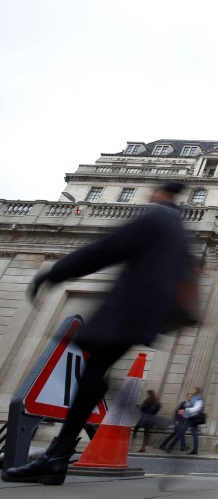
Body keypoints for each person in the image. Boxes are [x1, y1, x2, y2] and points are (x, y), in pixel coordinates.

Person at [2, 182, 192, 486]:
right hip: (146, 313)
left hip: (126, 308)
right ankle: (58, 457)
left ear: (162, 194)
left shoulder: (156, 217)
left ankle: (142, 421)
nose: (150, 196)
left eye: (154, 193)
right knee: (94, 373)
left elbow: (107, 249)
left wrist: (55, 272)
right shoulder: (180, 229)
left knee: (85, 361)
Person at [166, 387, 204, 455]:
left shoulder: (198, 399)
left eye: (193, 389)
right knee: (186, 433)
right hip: (189, 418)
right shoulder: (194, 398)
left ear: (196, 391)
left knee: (182, 432)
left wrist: (186, 409)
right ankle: (194, 449)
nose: (192, 390)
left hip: (192, 419)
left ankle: (170, 447)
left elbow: (196, 409)